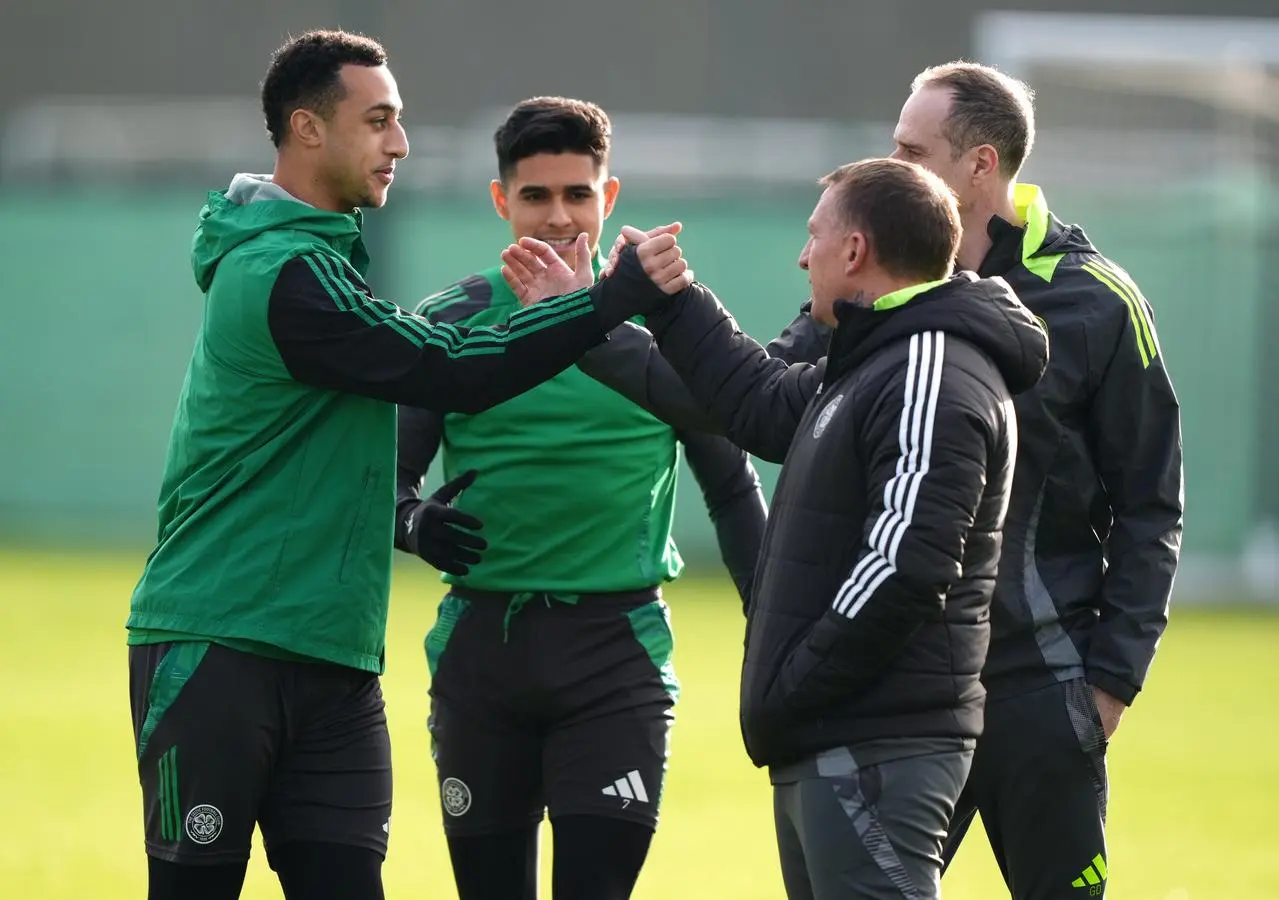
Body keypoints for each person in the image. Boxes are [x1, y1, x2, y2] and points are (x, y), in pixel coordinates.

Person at [592, 60, 1186, 900]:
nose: (893, 161)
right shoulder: (867, 307)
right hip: (894, 695)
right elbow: (757, 401)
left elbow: (1149, 502)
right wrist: (592, 323)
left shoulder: (1095, 300)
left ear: (980, 164)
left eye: (911, 146)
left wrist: (1107, 683)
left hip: (1034, 689)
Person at [123, 32, 690, 900]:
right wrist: (607, 300)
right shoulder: (281, 273)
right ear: (307, 130)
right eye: (379, 120)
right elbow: (447, 367)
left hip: (336, 658)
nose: (400, 143)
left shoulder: (327, 264)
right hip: (219, 645)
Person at [503, 157, 1050, 900]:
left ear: (853, 252)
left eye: (814, 235)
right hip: (832, 733)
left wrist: (796, 683)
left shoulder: (928, 363)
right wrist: (664, 299)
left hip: (869, 734)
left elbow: (906, 563)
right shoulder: (876, 354)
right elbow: (757, 400)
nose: (802, 254)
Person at [394, 96, 768, 900]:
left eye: (577, 195)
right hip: (479, 656)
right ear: (501, 201)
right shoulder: (449, 324)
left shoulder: (667, 331)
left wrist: (775, 625)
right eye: (535, 196)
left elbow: (732, 489)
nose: (558, 217)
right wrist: (414, 523)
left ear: (609, 197)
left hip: (614, 654)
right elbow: (388, 484)